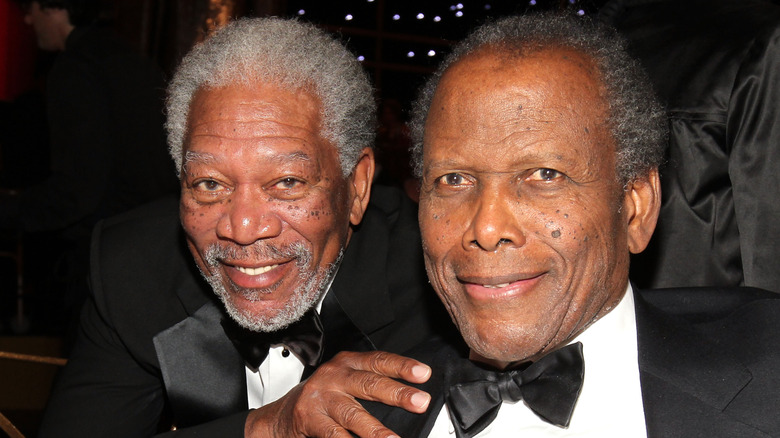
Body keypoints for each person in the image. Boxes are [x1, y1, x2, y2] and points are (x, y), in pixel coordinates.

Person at [361, 13, 780, 437]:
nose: (486, 229)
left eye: (544, 175)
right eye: (453, 180)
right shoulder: (360, 412)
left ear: (636, 206)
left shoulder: (767, 372)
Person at [39, 17, 450, 437]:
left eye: (287, 182)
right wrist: (268, 427)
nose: (244, 228)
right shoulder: (135, 269)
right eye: (210, 184)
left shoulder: (442, 279)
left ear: (358, 186)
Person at [1, 0, 176, 334]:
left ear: (53, 7)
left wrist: (10, 211)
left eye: (30, 8)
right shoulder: (133, 58)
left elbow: (77, 191)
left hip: (105, 260)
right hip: (155, 251)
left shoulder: (76, 67)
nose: (26, 19)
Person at [599, 0, 780, 292]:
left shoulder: (596, 38)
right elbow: (768, 238)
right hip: (714, 320)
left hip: (624, 318)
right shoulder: (765, 39)